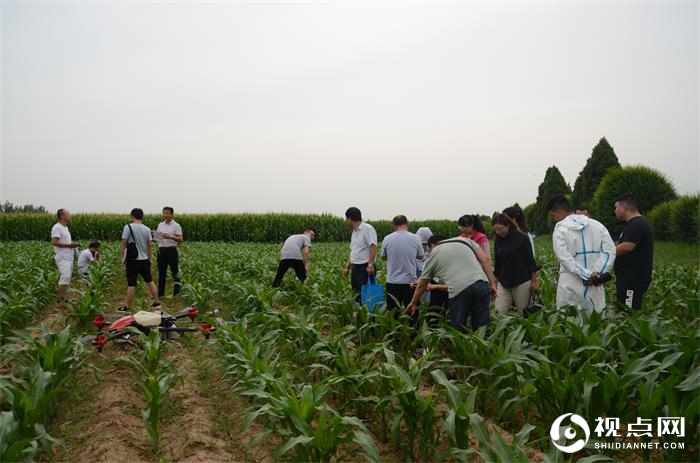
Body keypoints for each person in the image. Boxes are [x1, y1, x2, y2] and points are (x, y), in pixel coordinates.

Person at [406, 235, 497, 333]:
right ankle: (482, 347)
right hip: (481, 284)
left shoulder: (434, 254)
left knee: (459, 330)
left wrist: (413, 302)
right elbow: (486, 260)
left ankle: (460, 347)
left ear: (430, 246)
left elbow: (422, 284)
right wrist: (492, 284)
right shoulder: (464, 240)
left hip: (459, 290)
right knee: (482, 328)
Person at [548, 195, 616, 314]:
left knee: (571, 322)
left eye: (553, 215)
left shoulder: (560, 230)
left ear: (559, 211)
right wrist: (596, 273)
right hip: (595, 284)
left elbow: (564, 258)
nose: (554, 219)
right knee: (595, 321)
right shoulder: (598, 225)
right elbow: (609, 251)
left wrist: (586, 274)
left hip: (570, 283)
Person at [613, 193, 653, 310]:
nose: (615, 211)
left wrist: (605, 252)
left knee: (628, 311)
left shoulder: (637, 224)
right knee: (624, 308)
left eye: (616, 207)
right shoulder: (634, 224)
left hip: (633, 280)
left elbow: (627, 247)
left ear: (624, 206)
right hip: (628, 279)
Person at [492, 214, 538, 315]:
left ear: (508, 225)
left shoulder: (522, 238)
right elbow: (498, 263)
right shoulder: (498, 241)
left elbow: (530, 260)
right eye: (495, 230)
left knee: (524, 313)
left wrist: (534, 280)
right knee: (498, 313)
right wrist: (495, 281)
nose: (497, 232)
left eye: (500, 229)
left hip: (521, 281)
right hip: (504, 282)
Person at [119, 208, 161, 311]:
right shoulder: (147, 229)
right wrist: (149, 258)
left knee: (131, 283)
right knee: (150, 281)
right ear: (142, 216)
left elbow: (124, 243)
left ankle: (128, 306)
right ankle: (156, 302)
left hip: (132, 260)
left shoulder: (128, 227)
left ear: (132, 216)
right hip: (144, 260)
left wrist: (122, 257)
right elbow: (150, 245)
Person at [380, 215, 424, 312]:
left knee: (393, 311)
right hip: (410, 281)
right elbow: (421, 256)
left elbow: (383, 257)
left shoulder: (387, 238)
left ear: (394, 225)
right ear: (407, 223)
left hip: (392, 281)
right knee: (412, 310)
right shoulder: (416, 238)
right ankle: (413, 326)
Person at [342, 207, 378, 302]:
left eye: (346, 219)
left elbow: (373, 247)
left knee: (367, 296)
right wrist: (347, 267)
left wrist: (370, 265)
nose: (346, 222)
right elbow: (354, 251)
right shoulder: (354, 232)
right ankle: (358, 314)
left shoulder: (368, 229)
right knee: (356, 294)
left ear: (349, 219)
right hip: (355, 268)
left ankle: (369, 316)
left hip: (365, 268)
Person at [51, 209, 80, 304]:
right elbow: (54, 242)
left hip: (69, 256)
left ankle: (63, 298)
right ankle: (61, 300)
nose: (70, 216)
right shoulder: (57, 227)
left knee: (67, 278)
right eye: (68, 214)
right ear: (62, 216)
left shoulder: (66, 228)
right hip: (63, 257)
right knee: (65, 277)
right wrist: (69, 245)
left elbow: (67, 242)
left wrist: (73, 247)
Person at [155, 207, 183, 298]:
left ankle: (177, 294)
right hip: (161, 250)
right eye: (164, 213)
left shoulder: (176, 225)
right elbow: (158, 237)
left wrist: (171, 237)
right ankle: (160, 294)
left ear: (172, 214)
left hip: (171, 250)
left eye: (167, 213)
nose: (166, 215)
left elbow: (180, 239)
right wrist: (158, 236)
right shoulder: (160, 225)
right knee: (161, 273)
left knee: (175, 273)